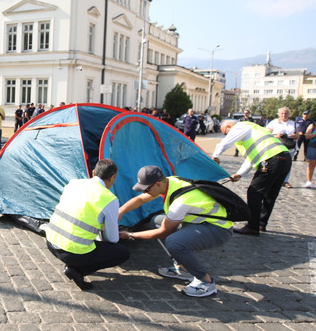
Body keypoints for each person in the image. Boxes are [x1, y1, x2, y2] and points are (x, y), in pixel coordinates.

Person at [117, 165, 234, 297]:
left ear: (157, 184)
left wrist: (130, 235)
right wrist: (120, 211)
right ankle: (184, 268)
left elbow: (163, 232)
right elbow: (140, 199)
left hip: (218, 230)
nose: (145, 193)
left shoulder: (181, 203)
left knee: (174, 242)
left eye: (146, 189)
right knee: (156, 220)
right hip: (199, 223)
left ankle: (206, 282)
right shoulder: (170, 181)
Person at [45, 159, 129, 290]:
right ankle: (78, 270)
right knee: (122, 253)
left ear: (93, 172)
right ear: (113, 177)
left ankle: (75, 265)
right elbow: (112, 239)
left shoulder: (73, 184)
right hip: (71, 252)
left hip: (51, 242)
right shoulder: (110, 199)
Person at [212, 119, 291, 235]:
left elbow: (225, 142)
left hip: (270, 159)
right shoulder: (254, 129)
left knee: (254, 192)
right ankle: (261, 224)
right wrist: (240, 173)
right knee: (270, 194)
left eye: (225, 132)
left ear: (228, 126)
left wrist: (215, 156)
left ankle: (253, 226)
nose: (227, 134)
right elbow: (251, 158)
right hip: (284, 158)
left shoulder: (240, 126)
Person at [266, 107, 299, 188]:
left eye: (286, 113)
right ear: (279, 114)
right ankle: (274, 180)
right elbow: (267, 134)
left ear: (289, 114)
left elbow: (298, 136)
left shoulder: (293, 123)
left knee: (287, 165)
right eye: (282, 113)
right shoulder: (274, 122)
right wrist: (276, 136)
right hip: (277, 147)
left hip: (289, 147)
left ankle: (285, 180)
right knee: (276, 163)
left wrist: (294, 135)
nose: (284, 115)